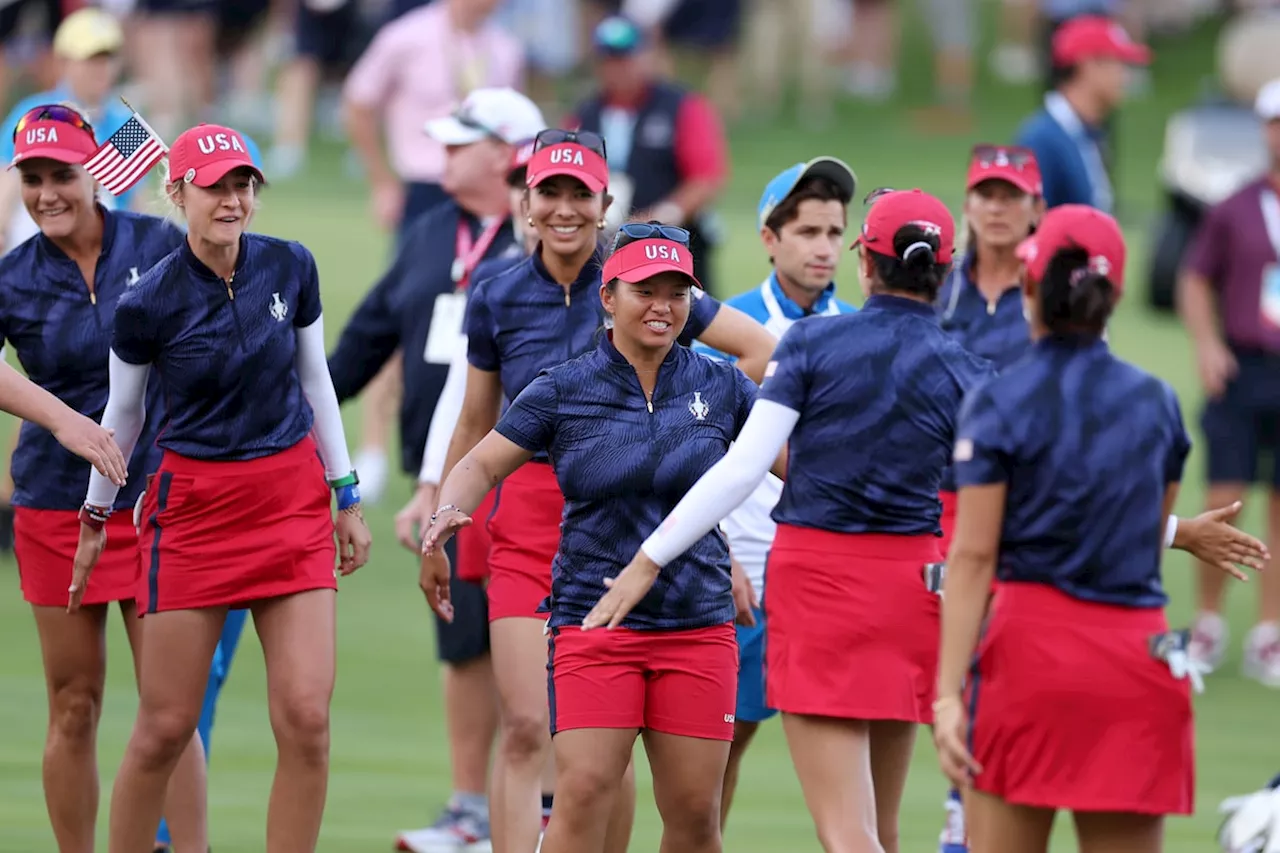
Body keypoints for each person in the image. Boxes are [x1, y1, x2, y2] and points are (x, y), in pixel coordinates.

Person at [593, 188, 992, 853]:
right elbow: (1040, 496)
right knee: (881, 831)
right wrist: (1174, 532)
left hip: (822, 586)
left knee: (846, 833)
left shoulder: (811, 342)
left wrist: (648, 559)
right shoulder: (970, 368)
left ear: (865, 261)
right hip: (916, 592)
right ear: (946, 271)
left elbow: (743, 466)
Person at [435, 128, 776, 853]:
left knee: (692, 815)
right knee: (583, 785)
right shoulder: (559, 386)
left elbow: (792, 469)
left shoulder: (717, 384)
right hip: (591, 607)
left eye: (675, 291)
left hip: (694, 611)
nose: (662, 304)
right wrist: (445, 504)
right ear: (609, 295)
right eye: (645, 290)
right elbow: (483, 448)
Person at [934, 145, 1272, 853]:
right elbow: (1135, 532)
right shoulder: (1157, 403)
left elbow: (973, 556)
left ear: (1030, 280)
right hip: (1138, 657)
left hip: (1030, 660)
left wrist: (945, 695)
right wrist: (1180, 530)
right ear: (1113, 295)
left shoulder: (997, 401)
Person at [72, 121, 371, 852]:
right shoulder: (145, 302)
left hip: (290, 501)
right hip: (196, 511)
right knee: (166, 725)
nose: (232, 200)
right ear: (178, 193)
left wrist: (348, 493)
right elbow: (124, 414)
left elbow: (315, 379)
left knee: (306, 715)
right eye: (215, 186)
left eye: (243, 185)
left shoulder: (290, 266)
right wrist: (94, 513)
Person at [331, 87, 545, 853]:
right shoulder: (429, 232)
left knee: (537, 637)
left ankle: (544, 804)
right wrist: (304, 414)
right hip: (450, 473)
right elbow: (364, 340)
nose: (443, 155)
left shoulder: (543, 243)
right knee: (463, 638)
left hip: (529, 475)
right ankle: (470, 811)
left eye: (461, 143)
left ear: (505, 155)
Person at [0, 102, 209, 853]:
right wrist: (62, 419)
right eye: (33, 177)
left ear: (97, 173)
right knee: (74, 703)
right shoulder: (14, 276)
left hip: (160, 501)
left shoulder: (160, 245)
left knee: (170, 706)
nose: (48, 191)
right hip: (56, 504)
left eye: (63, 173)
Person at [690, 156, 858, 832]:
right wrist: (717, 549)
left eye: (834, 232)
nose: (823, 247)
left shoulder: (859, 329)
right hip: (745, 576)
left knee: (852, 775)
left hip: (831, 580)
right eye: (807, 230)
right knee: (714, 766)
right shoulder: (724, 330)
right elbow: (697, 454)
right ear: (770, 237)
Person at [1179, 75, 1280, 687]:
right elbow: (1195, 279)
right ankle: (1209, 621)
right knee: (1227, 496)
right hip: (1242, 367)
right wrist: (1208, 342)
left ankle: (1270, 631)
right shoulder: (1235, 207)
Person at [569, 15, 729, 295]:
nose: (617, 68)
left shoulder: (682, 107)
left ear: (647, 56)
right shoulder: (583, 114)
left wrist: (655, 219)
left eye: (625, 58)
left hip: (672, 246)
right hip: (598, 248)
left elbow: (705, 178)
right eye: (608, 59)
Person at [0, 7, 140, 254]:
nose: (101, 69)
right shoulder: (34, 113)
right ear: (64, 62)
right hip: (40, 229)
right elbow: (7, 179)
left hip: (105, 241)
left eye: (107, 59)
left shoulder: (125, 123)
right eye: (90, 59)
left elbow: (133, 199)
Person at [1014, 15, 1149, 212]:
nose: (1126, 77)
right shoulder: (1041, 140)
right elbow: (1028, 229)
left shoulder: (1083, 132)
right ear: (1088, 65)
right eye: (1119, 64)